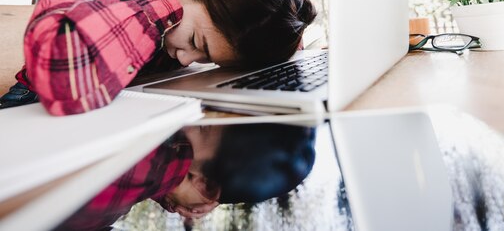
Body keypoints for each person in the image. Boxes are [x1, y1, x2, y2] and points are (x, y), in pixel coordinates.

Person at [0, 0, 316, 115]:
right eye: (196, 41)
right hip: (32, 117)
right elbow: (62, 76)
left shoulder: (200, 6)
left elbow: (275, 30)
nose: (185, 59)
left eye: (207, 58)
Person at [54, 123, 317, 230]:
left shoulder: (145, 164)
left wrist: (176, 185)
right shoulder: (154, 174)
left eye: (203, 126)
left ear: (205, 183)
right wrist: (178, 188)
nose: (195, 114)